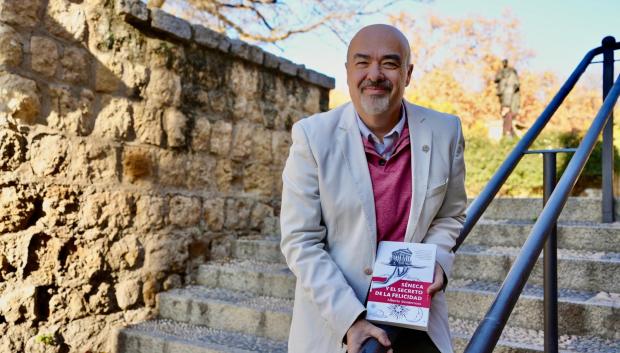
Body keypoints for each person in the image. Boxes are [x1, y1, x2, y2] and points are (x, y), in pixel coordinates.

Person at [280, 24, 466, 353]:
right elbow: (301, 240)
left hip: (414, 314)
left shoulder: (445, 130)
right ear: (348, 71)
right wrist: (351, 319)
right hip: (338, 319)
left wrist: (437, 261)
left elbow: (450, 215)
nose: (375, 74)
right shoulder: (312, 136)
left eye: (390, 64)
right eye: (363, 62)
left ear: (407, 74)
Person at [494, 59, 521, 136]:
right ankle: (509, 135)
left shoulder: (511, 75)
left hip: (508, 100)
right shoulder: (502, 74)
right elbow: (496, 80)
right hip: (505, 97)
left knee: (508, 117)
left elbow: (513, 87)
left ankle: (508, 134)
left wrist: (506, 105)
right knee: (507, 118)